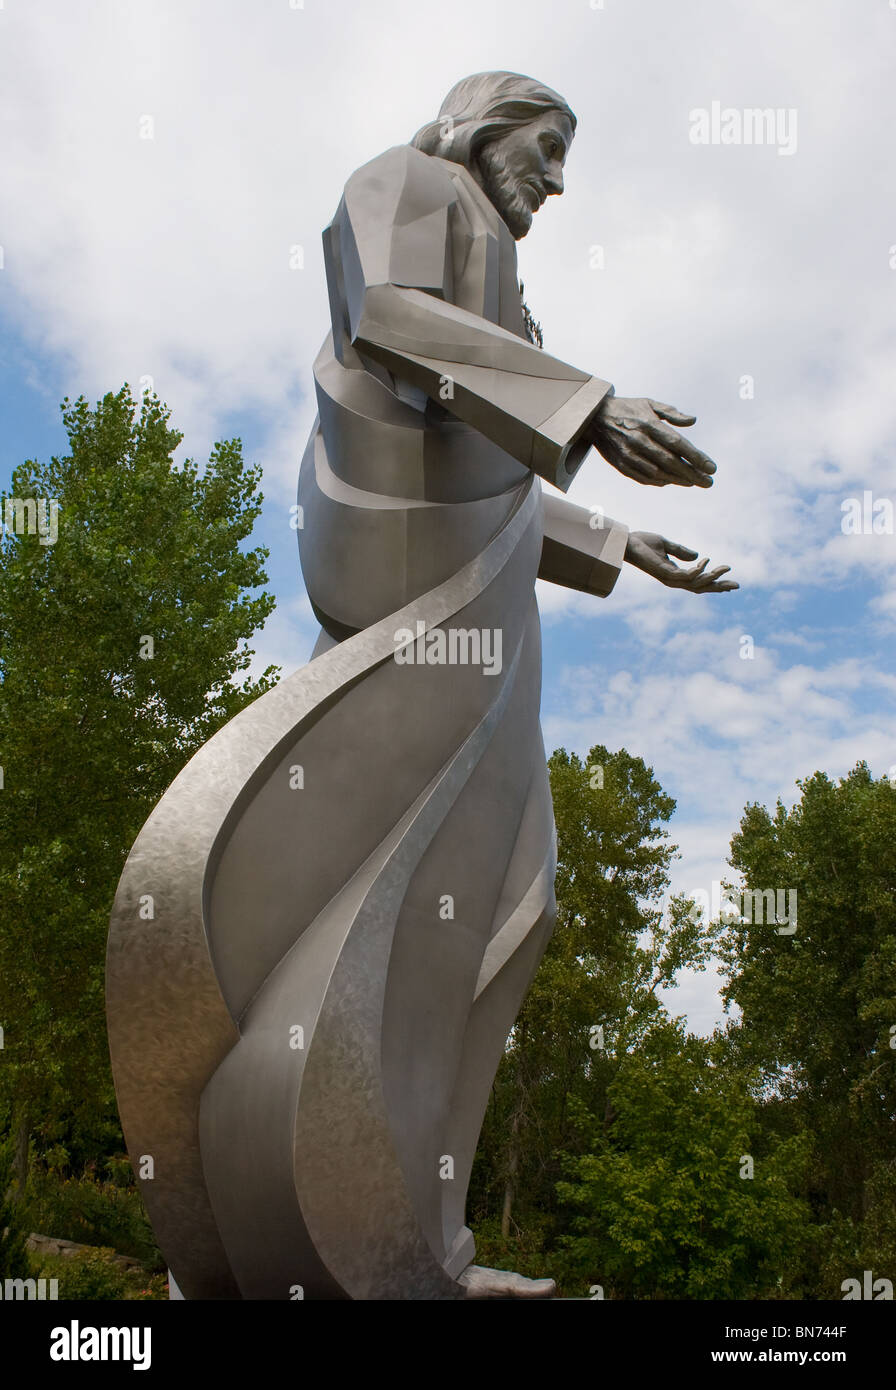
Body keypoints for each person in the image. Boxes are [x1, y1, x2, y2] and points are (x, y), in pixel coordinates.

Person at [106, 70, 736, 1301]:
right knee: (375, 891)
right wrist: (588, 404)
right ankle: (305, 1221)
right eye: (546, 146)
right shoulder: (408, 183)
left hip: (483, 613)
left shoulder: (513, 316)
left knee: (510, 908)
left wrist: (612, 543)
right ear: (482, 122)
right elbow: (391, 323)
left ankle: (425, 1245)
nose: (554, 179)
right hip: (410, 599)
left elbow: (483, 468)